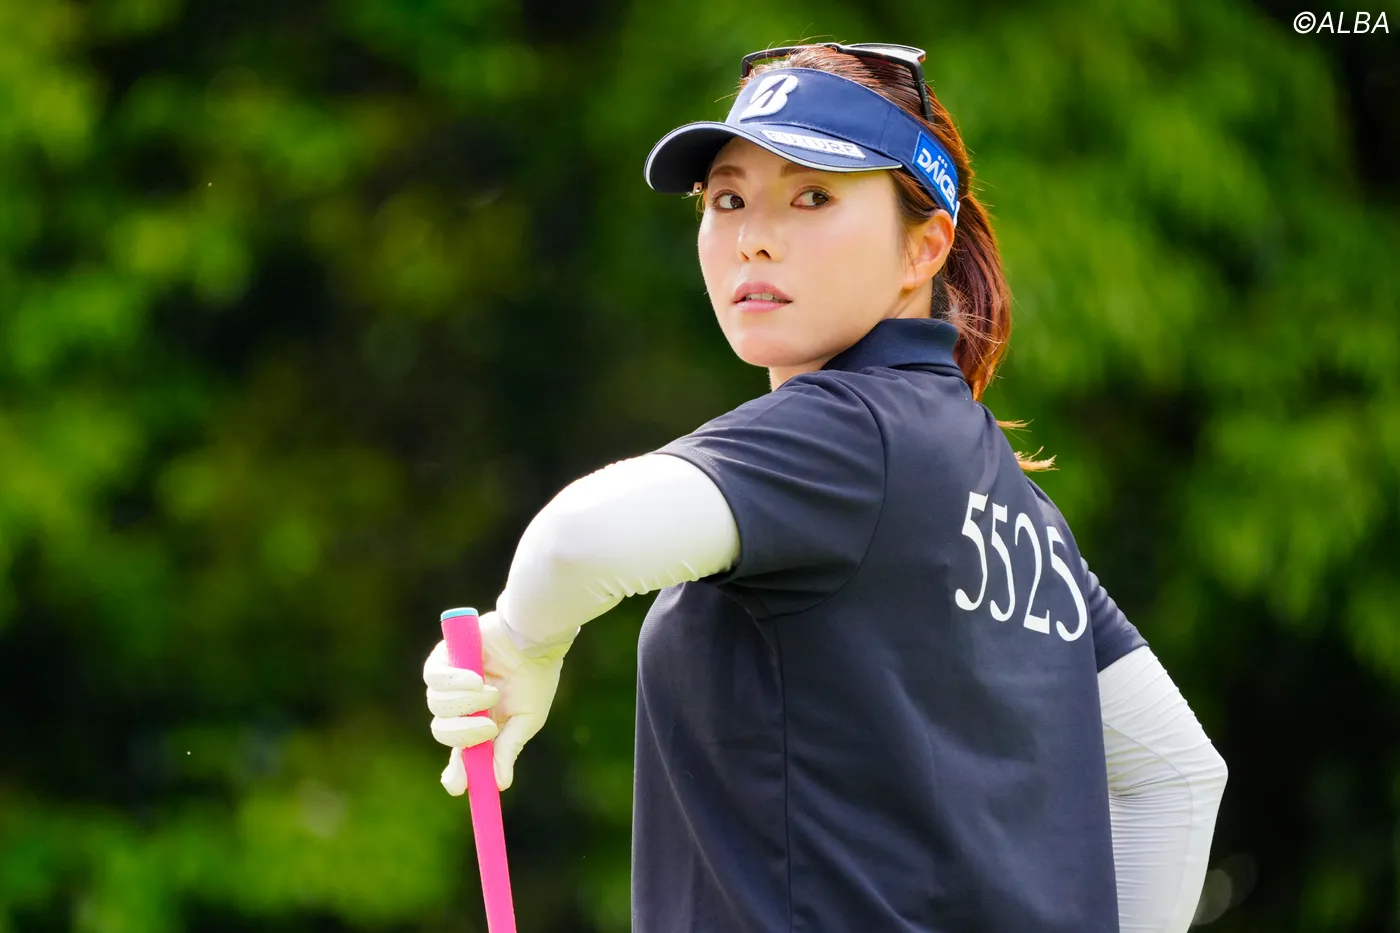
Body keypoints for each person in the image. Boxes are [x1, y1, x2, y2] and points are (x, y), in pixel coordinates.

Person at [422, 42, 1228, 933]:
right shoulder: (1018, 507)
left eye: (814, 196)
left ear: (924, 247)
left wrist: (522, 642)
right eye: (727, 198)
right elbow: (1177, 776)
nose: (754, 236)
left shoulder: (852, 432)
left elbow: (580, 542)